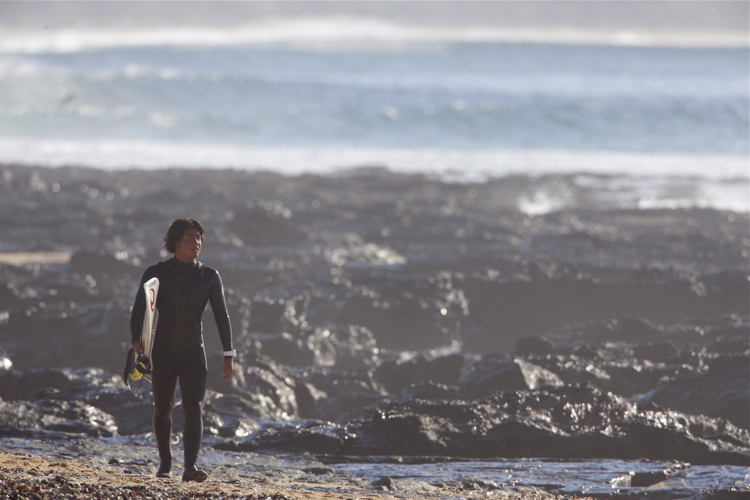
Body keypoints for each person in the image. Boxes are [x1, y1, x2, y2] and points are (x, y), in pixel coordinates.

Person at [129, 218, 235, 482]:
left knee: (193, 407)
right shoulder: (157, 273)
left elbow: (222, 316)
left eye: (199, 238)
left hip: (193, 350)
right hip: (163, 350)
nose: (196, 242)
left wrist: (228, 353)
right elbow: (140, 308)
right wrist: (136, 341)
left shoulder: (209, 276)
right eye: (190, 237)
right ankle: (165, 463)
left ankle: (190, 467)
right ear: (175, 242)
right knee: (163, 408)